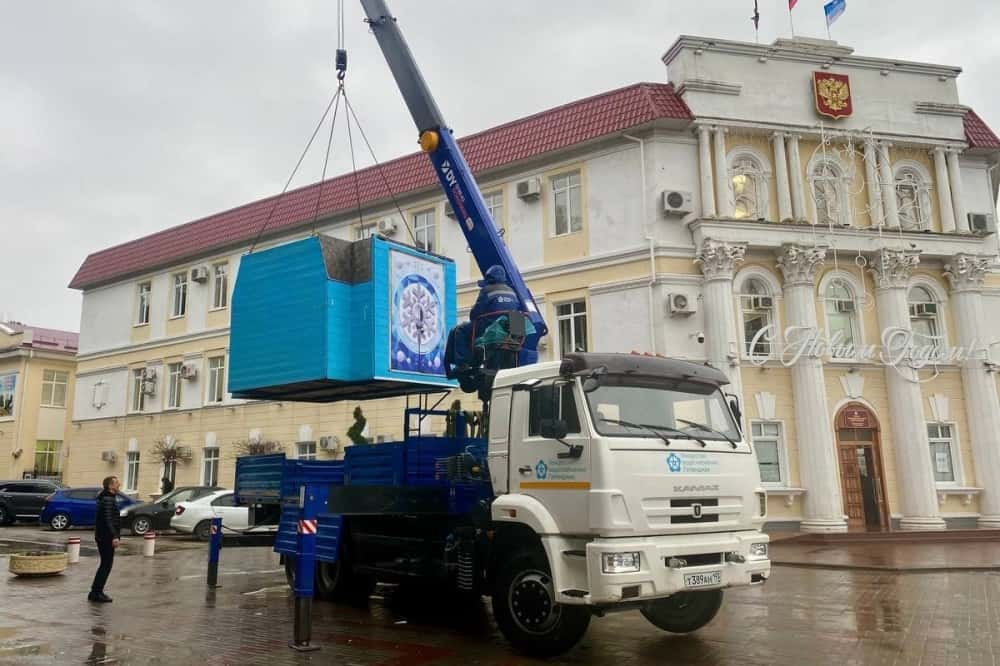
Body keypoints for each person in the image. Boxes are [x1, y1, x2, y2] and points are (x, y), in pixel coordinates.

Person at [89, 475, 121, 603]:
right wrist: (114, 536)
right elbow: (108, 519)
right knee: (106, 565)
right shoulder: (108, 499)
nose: (119, 484)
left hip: (103, 536)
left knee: (105, 564)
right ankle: (96, 593)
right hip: (106, 537)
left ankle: (96, 591)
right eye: (117, 482)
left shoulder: (107, 497)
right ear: (110, 486)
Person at [470, 265, 517, 334]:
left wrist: (473, 310)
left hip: (491, 326)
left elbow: (475, 313)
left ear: (489, 279)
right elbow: (516, 308)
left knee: (459, 330)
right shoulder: (512, 291)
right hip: (510, 328)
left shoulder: (487, 290)